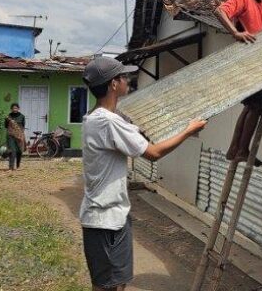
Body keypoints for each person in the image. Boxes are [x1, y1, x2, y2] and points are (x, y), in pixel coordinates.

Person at [80, 56, 206, 291]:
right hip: (106, 221)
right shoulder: (108, 122)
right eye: (123, 76)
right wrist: (189, 131)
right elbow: (154, 153)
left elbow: (126, 128)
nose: (127, 79)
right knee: (111, 286)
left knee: (113, 284)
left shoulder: (95, 118)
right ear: (113, 84)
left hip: (107, 217)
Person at [215, 0, 262, 167]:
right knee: (258, 104)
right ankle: (241, 150)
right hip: (244, 62)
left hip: (255, 62)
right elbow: (220, 11)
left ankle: (235, 149)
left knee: (252, 105)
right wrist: (235, 33)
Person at [4, 103, 26, 171]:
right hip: (11, 135)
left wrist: (20, 134)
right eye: (13, 108)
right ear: (11, 109)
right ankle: (11, 167)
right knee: (12, 151)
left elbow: (23, 126)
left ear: (18, 109)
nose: (15, 109)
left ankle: (18, 166)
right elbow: (5, 126)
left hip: (19, 136)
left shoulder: (22, 116)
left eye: (16, 108)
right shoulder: (8, 116)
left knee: (19, 151)